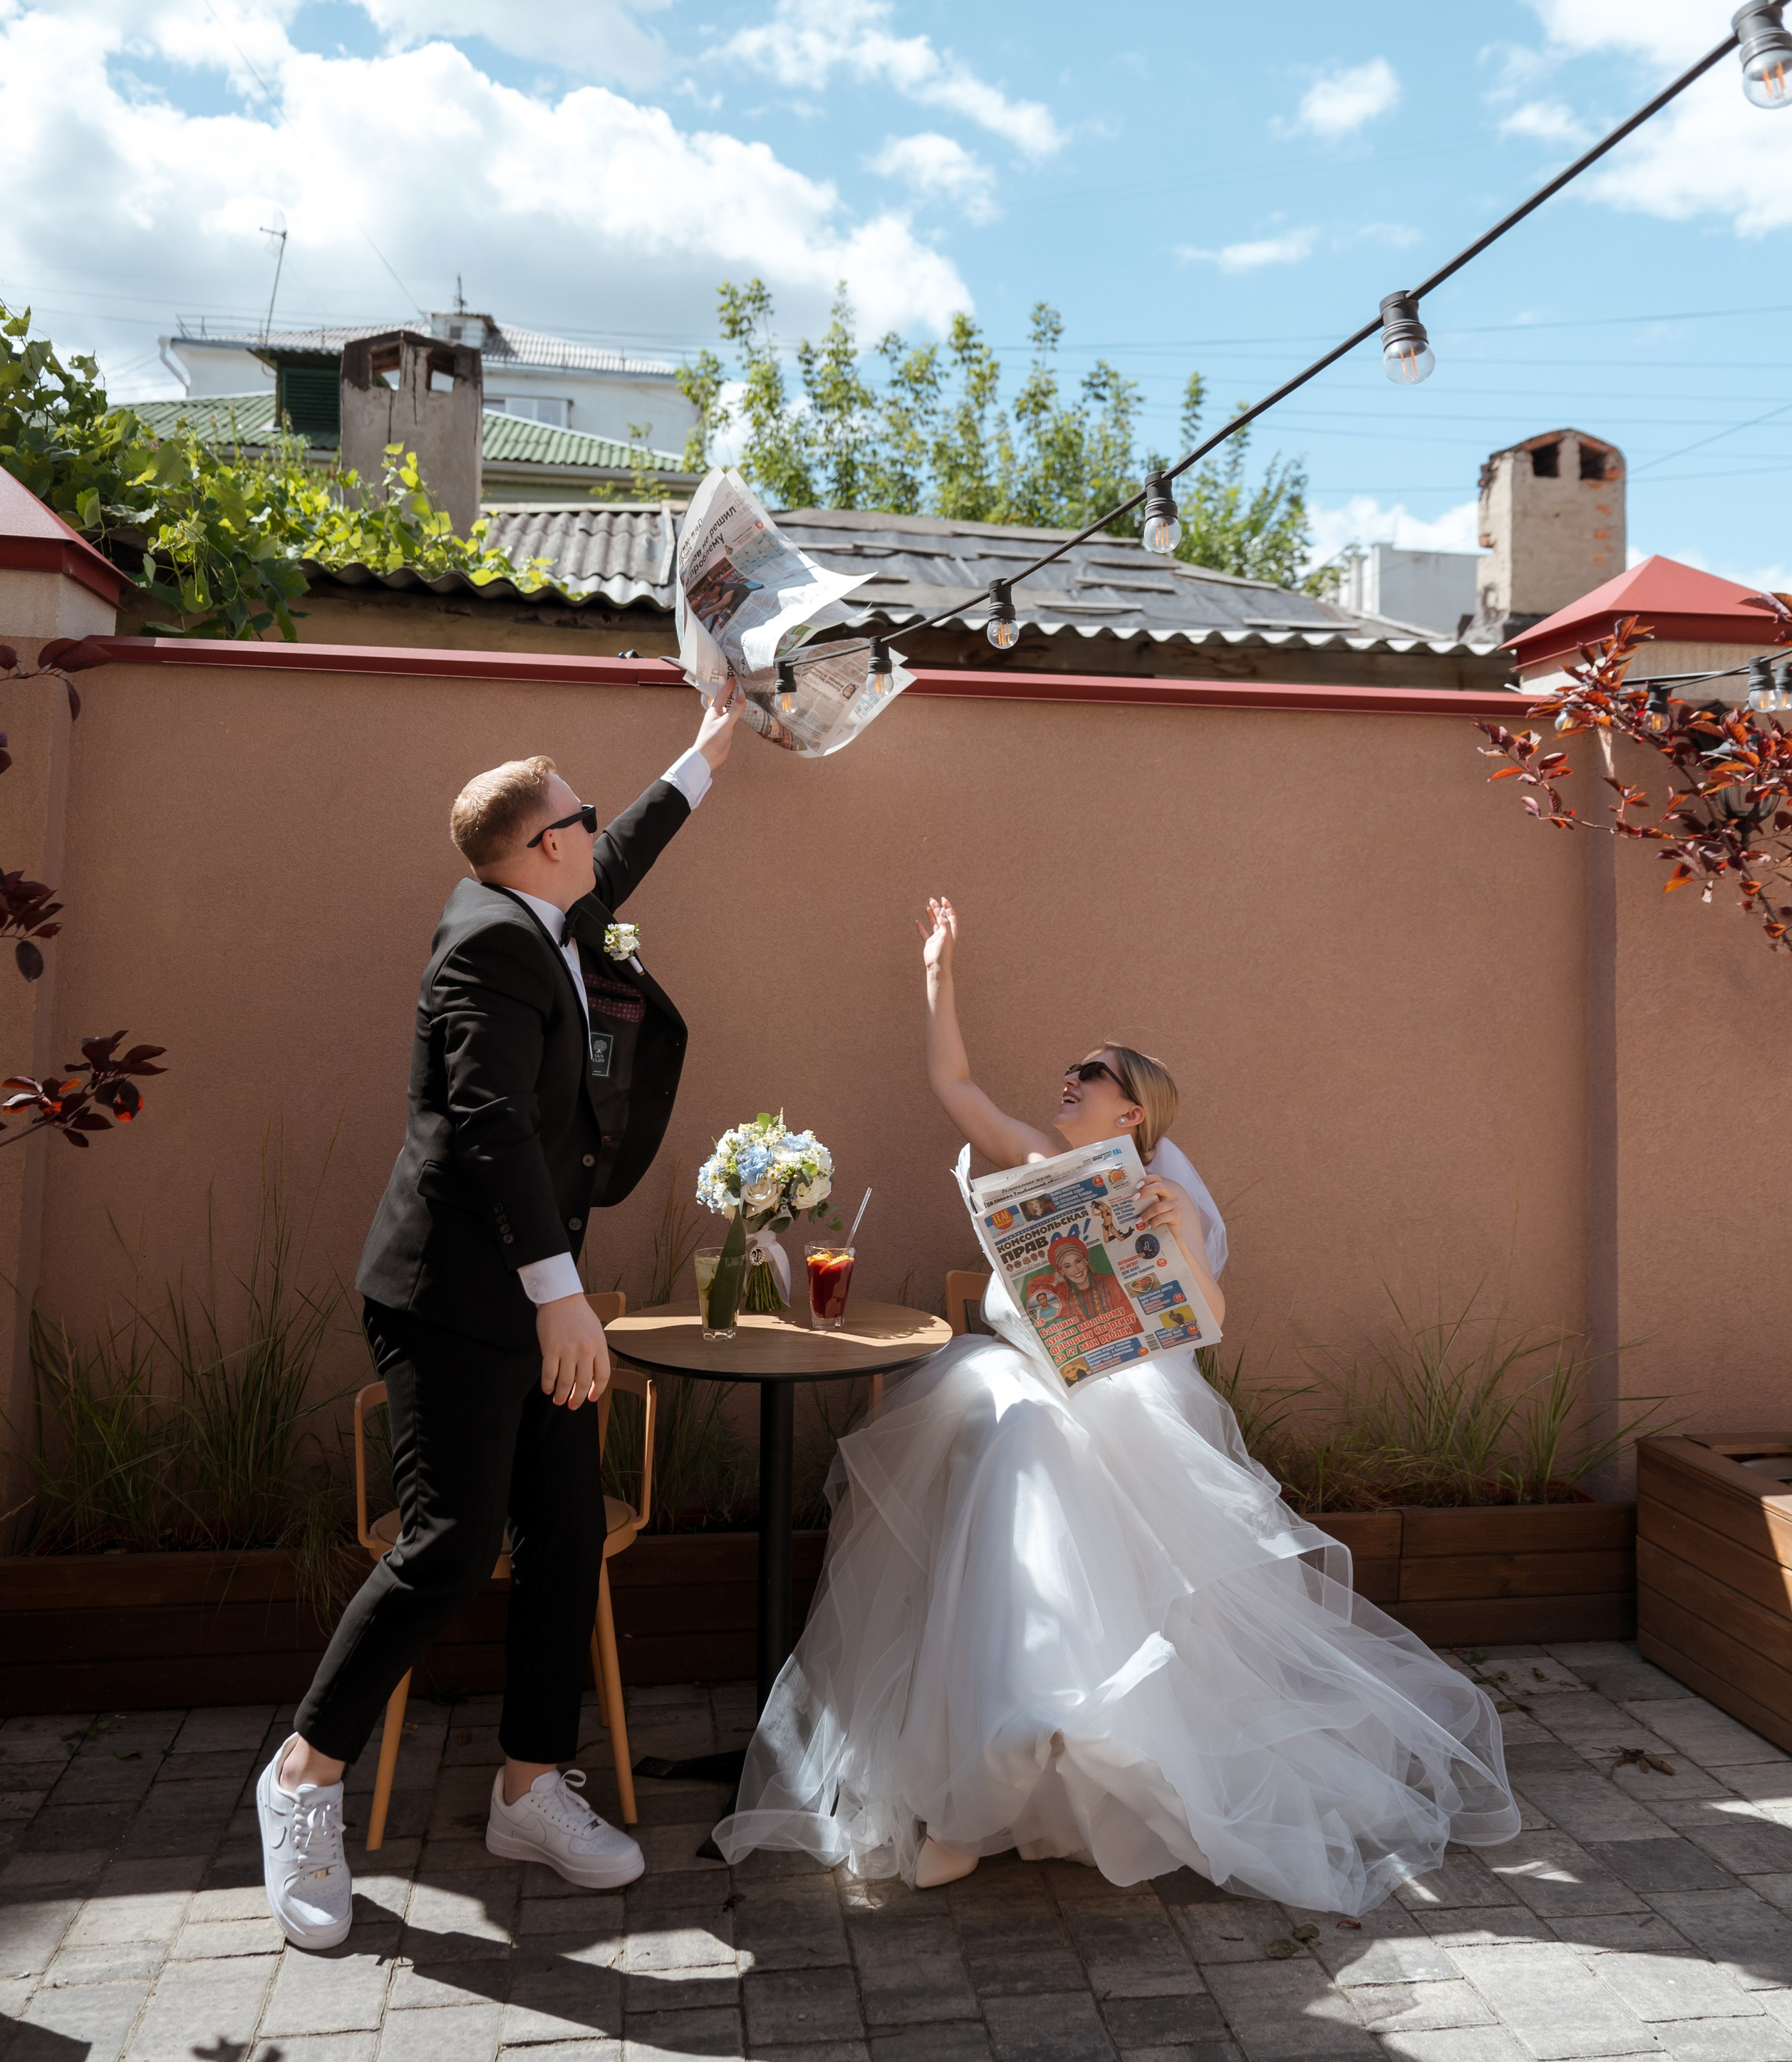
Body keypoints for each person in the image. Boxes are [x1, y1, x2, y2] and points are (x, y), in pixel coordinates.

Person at [715, 893, 1518, 1906]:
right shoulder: (1044, 1163)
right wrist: (939, 972)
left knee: (1038, 1452)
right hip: (1022, 1378)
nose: (1069, 1080)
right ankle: (983, 1780)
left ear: (1131, 1111)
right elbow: (953, 1084)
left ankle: (1023, 1766)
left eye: (1089, 1075)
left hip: (1128, 1392)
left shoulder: (1161, 1192)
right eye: (1071, 1070)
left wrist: (1175, 1228)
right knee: (1016, 1441)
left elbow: (1209, 1321)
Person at [256, 689, 741, 1952]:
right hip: (456, 1305)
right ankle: (303, 1776)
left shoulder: (546, 906)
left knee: (566, 1533)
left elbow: (621, 846)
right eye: (576, 816)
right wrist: (559, 1297)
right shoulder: (486, 945)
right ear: (541, 848)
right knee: (452, 1545)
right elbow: (490, 1126)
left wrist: (711, 745)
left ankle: (529, 1785)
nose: (593, 827)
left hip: (532, 1302)